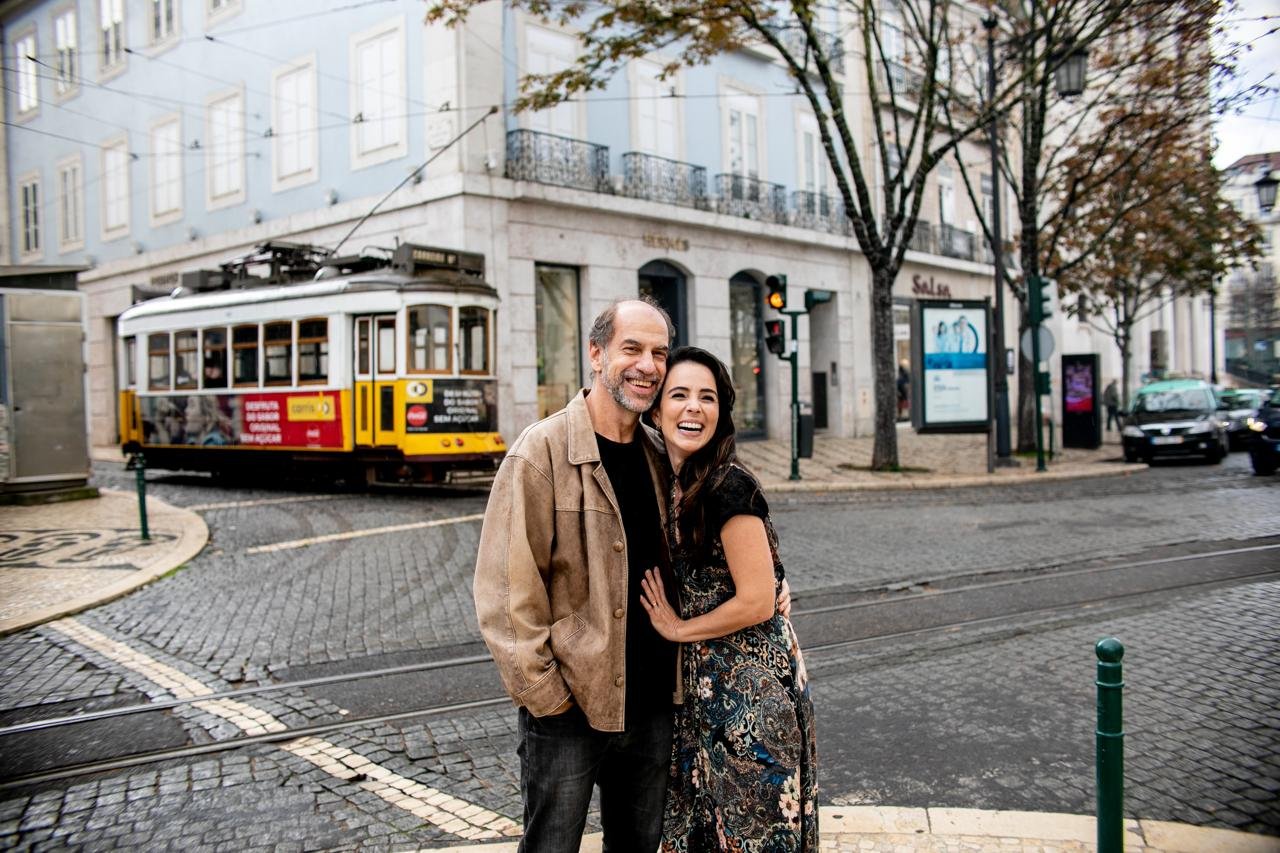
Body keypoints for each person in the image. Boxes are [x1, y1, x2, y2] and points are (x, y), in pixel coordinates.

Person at [473, 298, 678, 853]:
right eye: (631, 348)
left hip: (653, 704)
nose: (648, 365)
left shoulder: (663, 455)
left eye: (659, 353)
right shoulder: (540, 452)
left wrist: (772, 586)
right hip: (570, 710)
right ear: (596, 353)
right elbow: (504, 591)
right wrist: (547, 699)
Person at [639, 346, 818, 852]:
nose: (694, 407)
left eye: (707, 397)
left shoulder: (727, 485)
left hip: (753, 697)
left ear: (721, 413)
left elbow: (758, 601)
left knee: (753, 836)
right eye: (679, 395)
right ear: (656, 409)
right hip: (704, 694)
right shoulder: (670, 482)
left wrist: (678, 628)